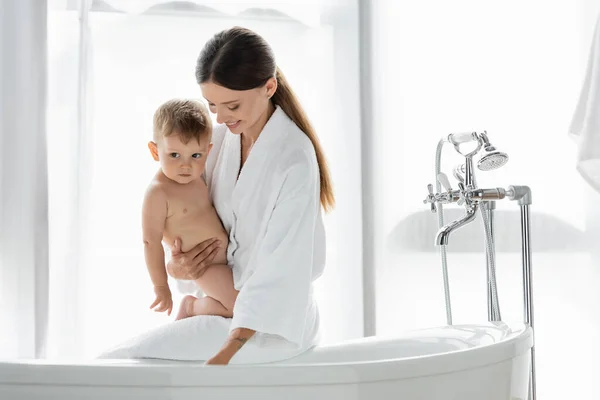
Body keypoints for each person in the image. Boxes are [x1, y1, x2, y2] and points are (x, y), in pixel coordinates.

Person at [166, 26, 335, 365]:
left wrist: (231, 347)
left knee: (144, 363)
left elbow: (283, 266)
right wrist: (179, 265)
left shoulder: (293, 159)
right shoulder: (217, 143)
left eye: (232, 105)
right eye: (211, 105)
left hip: (268, 323)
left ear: (269, 87)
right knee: (131, 360)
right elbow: (188, 214)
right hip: (222, 303)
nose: (221, 118)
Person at [142, 98, 238, 320]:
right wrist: (161, 287)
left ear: (208, 151)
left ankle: (201, 307)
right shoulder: (158, 193)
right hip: (204, 266)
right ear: (155, 152)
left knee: (245, 303)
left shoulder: (196, 178)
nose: (185, 165)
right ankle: (191, 308)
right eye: (174, 155)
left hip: (226, 262)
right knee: (238, 308)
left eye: (196, 155)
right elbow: (150, 242)